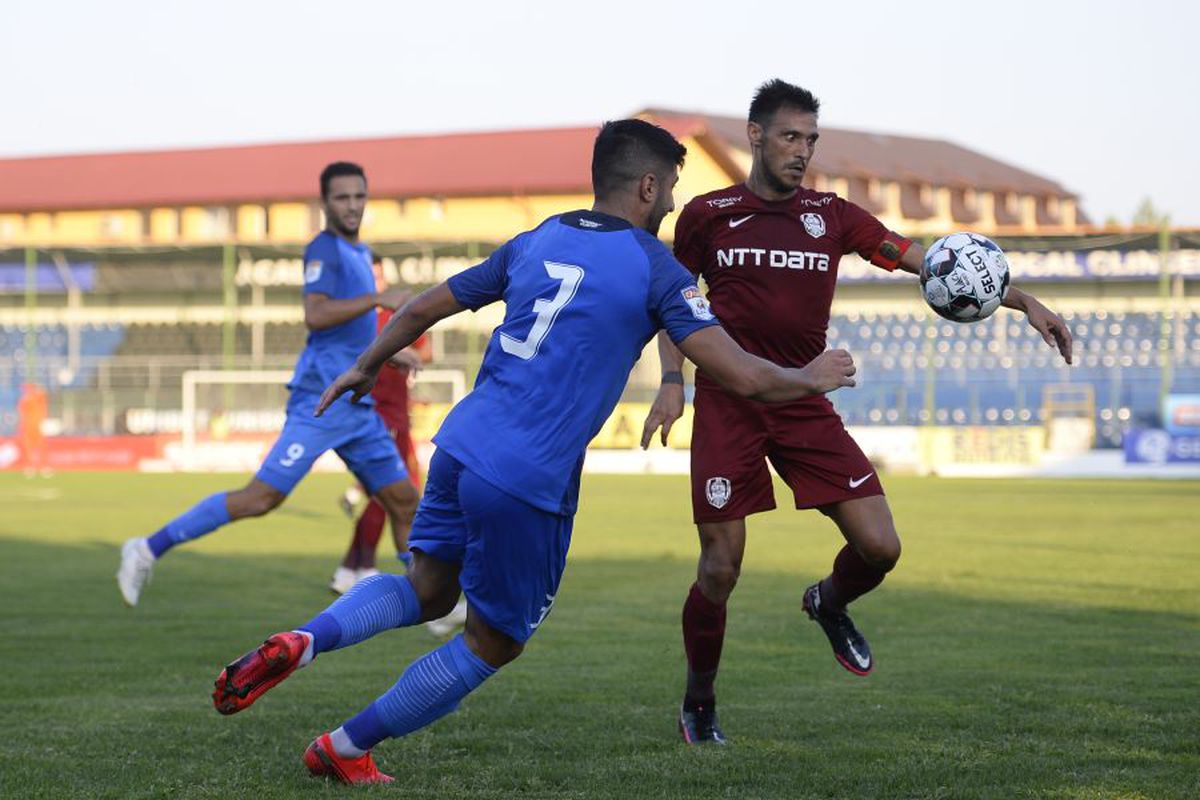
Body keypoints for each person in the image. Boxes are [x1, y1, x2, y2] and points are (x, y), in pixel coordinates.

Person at [209, 119, 858, 785]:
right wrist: (812, 375)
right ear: (645, 185)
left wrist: (367, 367)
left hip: (461, 446)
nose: (670, 205)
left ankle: (303, 640)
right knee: (494, 643)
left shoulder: (537, 240)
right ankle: (343, 748)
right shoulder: (656, 270)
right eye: (668, 191)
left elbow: (422, 308)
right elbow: (745, 374)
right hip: (528, 476)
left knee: (427, 590)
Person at [640, 79, 1075, 745]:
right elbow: (672, 300)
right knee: (721, 566)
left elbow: (930, 263)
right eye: (790, 136)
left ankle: (828, 600)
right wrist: (672, 378)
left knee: (880, 547)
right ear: (754, 136)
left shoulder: (833, 215)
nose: (802, 151)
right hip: (730, 401)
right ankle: (699, 701)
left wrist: (1025, 302)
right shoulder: (708, 213)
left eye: (811, 139)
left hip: (805, 401)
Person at [115, 162, 419, 607]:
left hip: (356, 408)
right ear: (325, 203)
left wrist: (391, 353)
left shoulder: (359, 253)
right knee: (260, 499)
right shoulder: (324, 249)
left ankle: (430, 599)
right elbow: (315, 314)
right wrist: (377, 297)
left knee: (404, 501)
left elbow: (348, 335)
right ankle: (145, 549)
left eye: (359, 196)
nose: (352, 205)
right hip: (320, 403)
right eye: (342, 197)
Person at [329, 256, 431, 595]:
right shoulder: (356, 318)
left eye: (378, 274)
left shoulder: (397, 313)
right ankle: (374, 569)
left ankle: (351, 568)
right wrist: (393, 354)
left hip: (398, 413)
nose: (375, 280)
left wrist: (410, 353)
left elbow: (424, 351)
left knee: (391, 493)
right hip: (377, 413)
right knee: (393, 494)